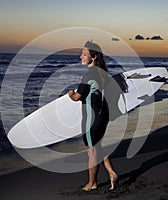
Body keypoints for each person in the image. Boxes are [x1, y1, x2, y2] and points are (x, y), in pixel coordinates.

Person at [68, 41, 118, 191]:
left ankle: (92, 183)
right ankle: (112, 173)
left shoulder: (88, 75)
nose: (80, 56)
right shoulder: (102, 73)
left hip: (91, 119)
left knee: (91, 151)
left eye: (84, 54)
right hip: (102, 115)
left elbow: (77, 97)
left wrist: (70, 94)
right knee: (97, 146)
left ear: (94, 57)